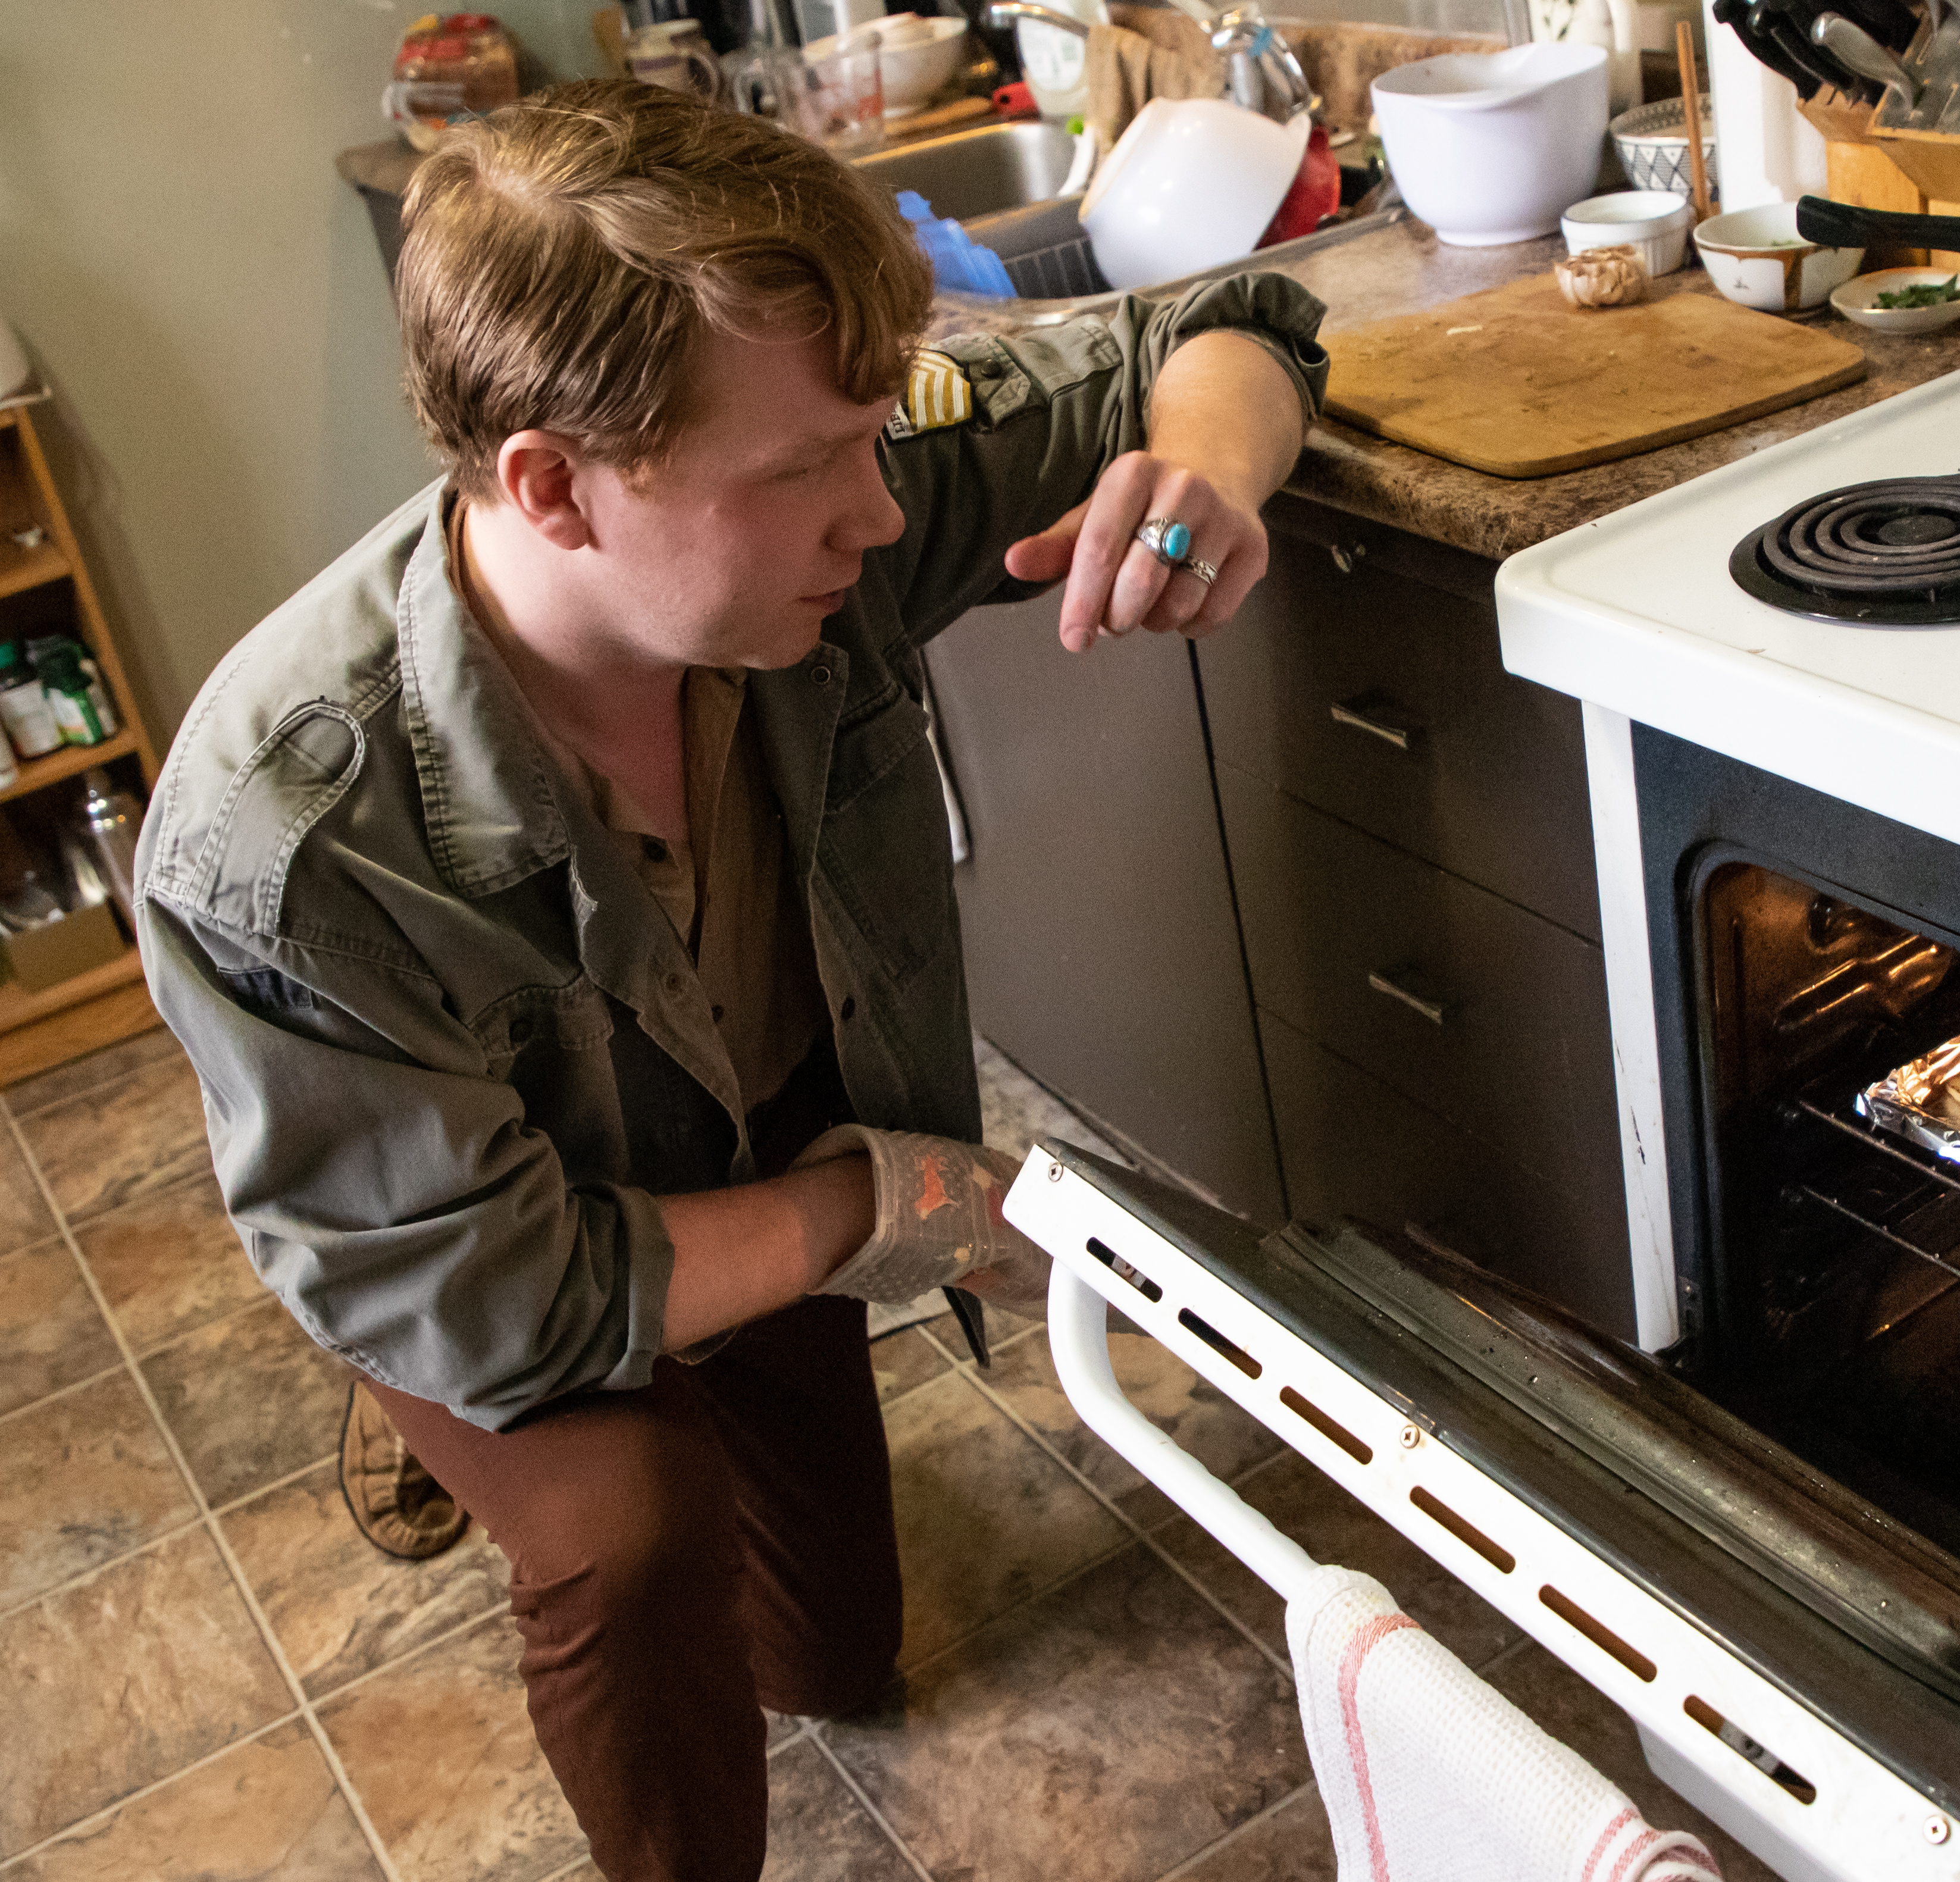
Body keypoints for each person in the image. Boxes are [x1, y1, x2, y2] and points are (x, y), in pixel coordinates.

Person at [135, 79, 1323, 1882]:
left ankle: (692, 1306)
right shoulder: (287, 846)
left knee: (835, 1656)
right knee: (630, 1527)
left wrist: (1206, 472)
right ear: (549, 481)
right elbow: (504, 1293)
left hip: (734, 1122)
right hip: (478, 1240)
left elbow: (1227, 326)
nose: (874, 517)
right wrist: (902, 1199)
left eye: (868, 442)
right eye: (798, 473)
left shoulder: (804, 515)